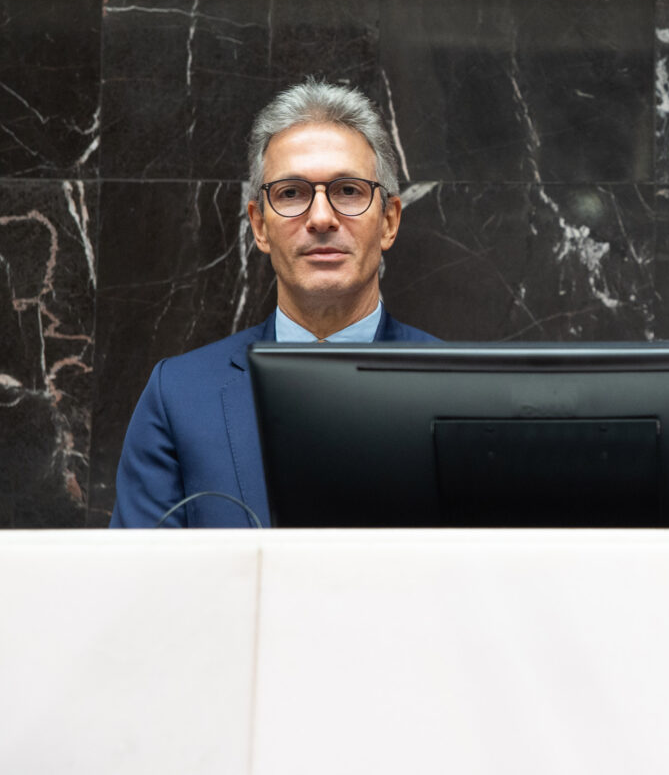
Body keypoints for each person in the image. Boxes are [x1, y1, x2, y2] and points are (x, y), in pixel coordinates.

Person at [111, 80, 437, 528]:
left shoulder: (460, 395)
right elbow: (143, 582)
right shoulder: (179, 398)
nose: (321, 218)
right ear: (259, 226)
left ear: (389, 220)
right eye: (291, 194)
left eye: (347, 191)